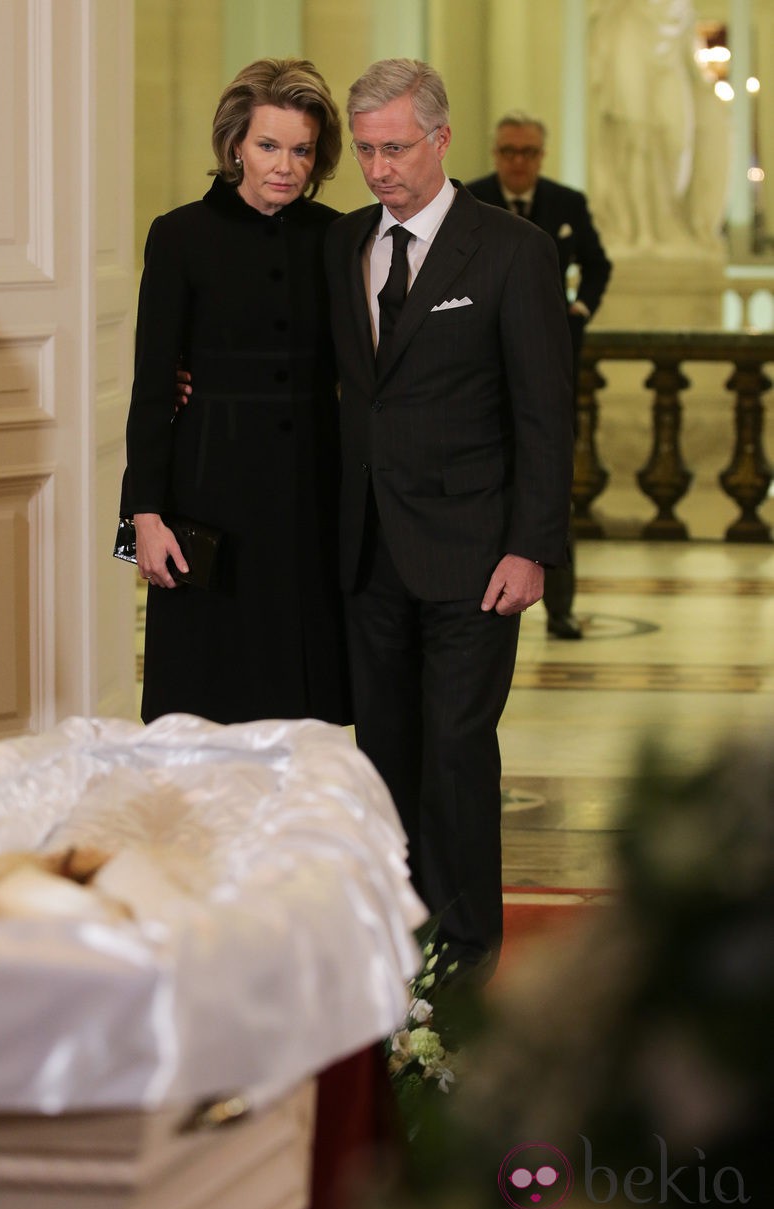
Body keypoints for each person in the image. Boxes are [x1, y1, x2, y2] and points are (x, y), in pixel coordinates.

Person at [324, 60, 574, 978]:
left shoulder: (511, 251)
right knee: (383, 754)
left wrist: (532, 546)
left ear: (441, 139)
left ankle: (468, 958)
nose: (379, 168)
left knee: (457, 754)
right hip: (365, 550)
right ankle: (397, 939)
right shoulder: (340, 243)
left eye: (395, 147)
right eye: (364, 150)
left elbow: (546, 413)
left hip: (476, 556)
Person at [120, 58, 351, 727]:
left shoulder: (337, 237)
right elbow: (152, 386)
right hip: (207, 498)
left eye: (301, 150)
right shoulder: (180, 235)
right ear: (236, 147)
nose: (285, 165)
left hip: (311, 501)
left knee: (304, 714)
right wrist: (144, 518)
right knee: (202, 708)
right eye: (268, 146)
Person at [467, 111, 612, 640]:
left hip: (551, 365)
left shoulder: (566, 202)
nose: (518, 162)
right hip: (482, 371)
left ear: (541, 156)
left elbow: (599, 264)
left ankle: (562, 606)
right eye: (509, 151)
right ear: (495, 153)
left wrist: (580, 310)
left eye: (528, 152)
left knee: (552, 478)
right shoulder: (471, 198)